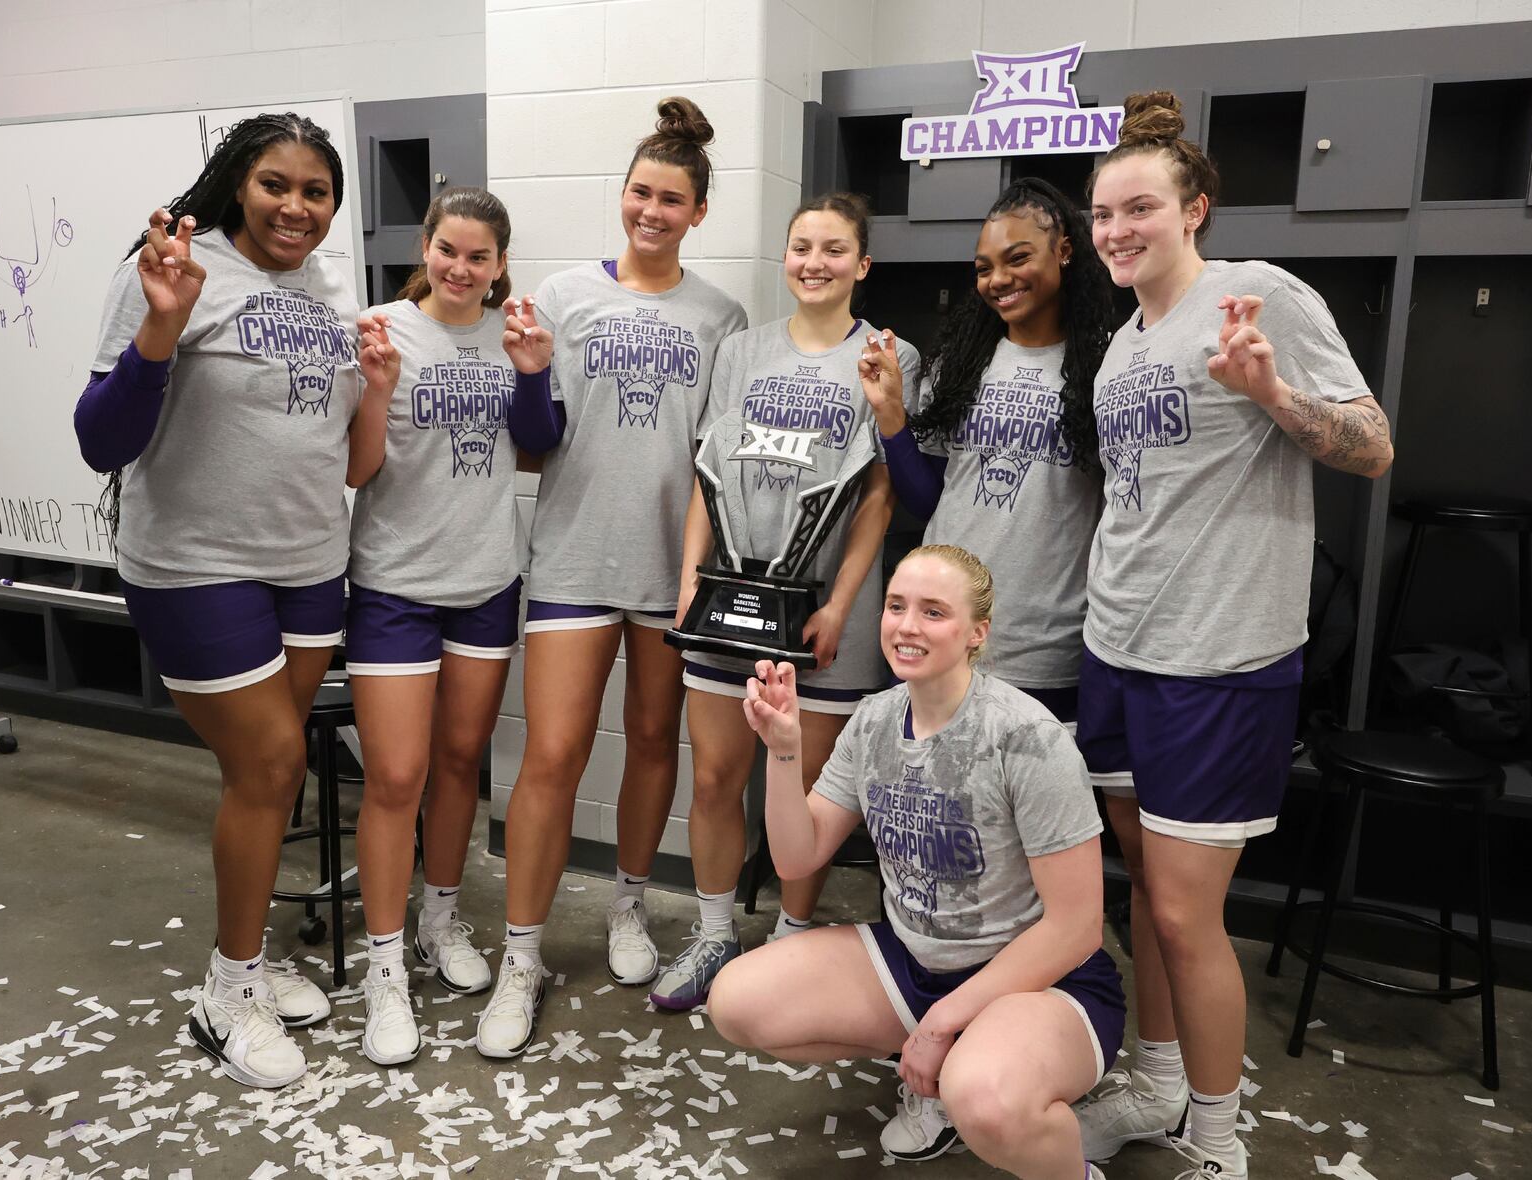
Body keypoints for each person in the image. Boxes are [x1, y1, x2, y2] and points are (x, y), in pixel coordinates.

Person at [1071, 92, 1393, 1180]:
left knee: (1181, 909)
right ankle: (1154, 1082)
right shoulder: (1122, 345)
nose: (1115, 230)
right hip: (1116, 648)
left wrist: (1270, 393)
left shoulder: (1259, 298)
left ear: (1194, 208)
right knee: (1139, 893)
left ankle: (1217, 1141)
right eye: (1102, 213)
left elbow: (1371, 445)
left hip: (1220, 660)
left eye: (1139, 208)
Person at [74, 112, 381, 1089]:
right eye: (275, 185)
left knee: (271, 775)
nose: (296, 207)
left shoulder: (329, 292)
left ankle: (243, 955)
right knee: (271, 760)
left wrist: (373, 388)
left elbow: (342, 451)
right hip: (196, 561)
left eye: (316, 192)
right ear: (236, 184)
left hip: (307, 562)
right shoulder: (173, 269)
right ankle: (228, 991)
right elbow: (100, 440)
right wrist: (161, 328)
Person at [708, 545, 1125, 1180]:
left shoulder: (1027, 737)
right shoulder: (873, 721)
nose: (907, 626)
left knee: (985, 1100)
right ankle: (943, 1083)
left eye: (934, 612)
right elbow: (797, 860)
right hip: (919, 961)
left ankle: (1051, 1150)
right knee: (735, 999)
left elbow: (1076, 928)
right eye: (898, 606)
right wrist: (785, 752)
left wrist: (940, 1025)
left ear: (976, 632)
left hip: (1042, 981)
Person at [477, 96, 748, 1058]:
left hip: (672, 571)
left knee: (649, 741)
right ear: (621, 196)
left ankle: (629, 906)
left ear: (698, 212)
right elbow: (532, 445)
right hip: (574, 560)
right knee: (550, 755)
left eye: (672, 198)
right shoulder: (558, 297)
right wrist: (527, 373)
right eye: (640, 191)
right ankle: (521, 957)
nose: (652, 210)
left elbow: (719, 459)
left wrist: (701, 572)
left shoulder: (723, 316)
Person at [649, 193, 911, 1011]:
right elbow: (708, 474)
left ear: (862, 264)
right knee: (717, 777)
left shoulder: (888, 356)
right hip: (728, 606)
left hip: (822, 623)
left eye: (834, 249)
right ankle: (714, 931)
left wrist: (839, 603)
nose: (814, 263)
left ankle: (797, 937)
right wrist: (690, 578)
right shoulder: (744, 351)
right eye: (801, 247)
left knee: (810, 795)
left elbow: (880, 496)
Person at [343, 187, 558, 1066]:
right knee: (396, 776)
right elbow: (356, 468)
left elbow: (537, 448)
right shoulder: (381, 329)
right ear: (424, 249)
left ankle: (439, 920)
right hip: (394, 579)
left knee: (461, 761)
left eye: (479, 257)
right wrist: (380, 388)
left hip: (483, 580)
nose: (462, 269)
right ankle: (385, 970)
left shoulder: (517, 333)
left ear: (500, 262)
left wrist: (537, 371)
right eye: (448, 251)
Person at [864, 178, 1113, 723]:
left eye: (1017, 258)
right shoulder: (958, 364)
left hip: (1046, 649)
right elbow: (929, 501)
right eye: (983, 268)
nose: (999, 279)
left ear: (1065, 251)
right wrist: (891, 420)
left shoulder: (1106, 369)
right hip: (939, 636)